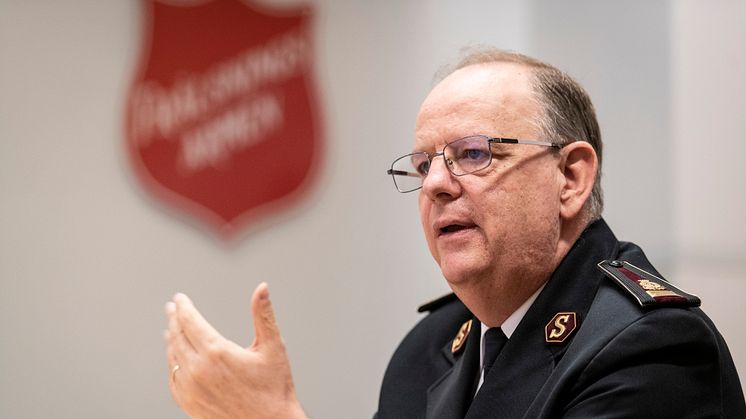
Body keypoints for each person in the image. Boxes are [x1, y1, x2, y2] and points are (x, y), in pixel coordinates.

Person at [164, 48, 746, 418]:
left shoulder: (653, 349)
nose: (436, 185)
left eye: (472, 154)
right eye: (422, 165)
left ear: (570, 177)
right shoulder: (430, 348)